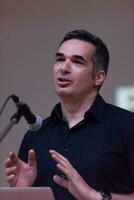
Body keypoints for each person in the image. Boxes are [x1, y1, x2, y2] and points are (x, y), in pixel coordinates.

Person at [5, 29, 134, 200]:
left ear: (98, 77)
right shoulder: (35, 136)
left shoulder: (127, 126)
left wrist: (94, 196)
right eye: (60, 59)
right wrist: (22, 192)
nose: (64, 68)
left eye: (77, 61)